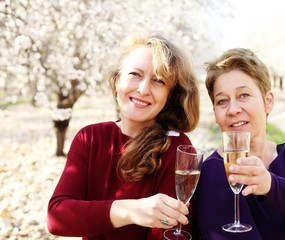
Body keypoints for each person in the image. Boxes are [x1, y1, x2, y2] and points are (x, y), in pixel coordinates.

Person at [47, 32, 200, 240]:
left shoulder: (178, 148)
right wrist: (131, 211)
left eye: (159, 81)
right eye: (135, 74)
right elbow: (57, 218)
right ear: (117, 80)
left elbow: (168, 234)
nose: (143, 89)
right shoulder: (90, 137)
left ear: (170, 96)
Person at [195, 48, 285, 239]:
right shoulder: (208, 173)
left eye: (243, 95)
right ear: (215, 112)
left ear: (268, 101)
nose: (233, 109)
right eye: (222, 101)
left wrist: (269, 185)